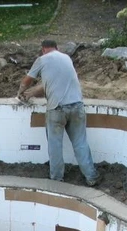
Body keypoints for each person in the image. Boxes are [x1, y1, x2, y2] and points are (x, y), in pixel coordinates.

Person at [17, 39, 100, 186]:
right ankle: (91, 176)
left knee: (55, 145)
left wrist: (21, 93)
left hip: (57, 109)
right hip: (77, 106)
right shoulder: (66, 58)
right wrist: (34, 92)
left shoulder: (42, 60)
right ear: (57, 48)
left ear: (43, 49)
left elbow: (27, 81)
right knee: (80, 143)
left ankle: (57, 178)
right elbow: (53, 82)